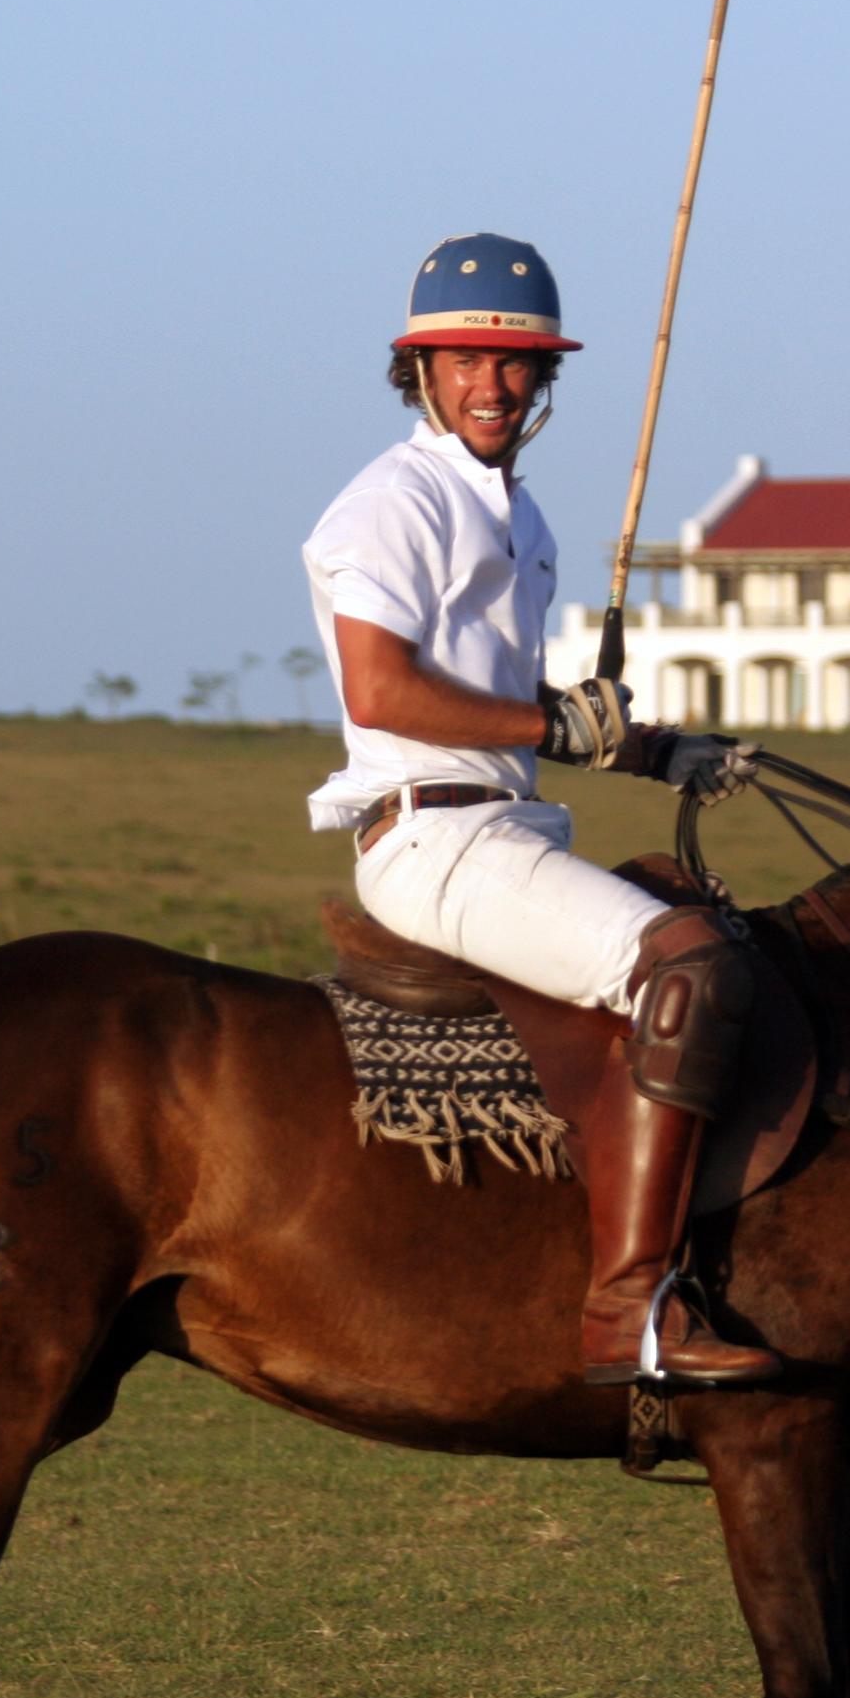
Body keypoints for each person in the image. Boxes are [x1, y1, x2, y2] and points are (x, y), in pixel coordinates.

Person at [302, 233, 780, 1390]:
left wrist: (656, 747)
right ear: (417, 368)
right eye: (464, 359)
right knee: (689, 968)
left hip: (505, 824)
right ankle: (630, 1310)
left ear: (545, 381)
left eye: (517, 365)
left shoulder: (527, 523)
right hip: (430, 833)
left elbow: (510, 703)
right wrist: (562, 725)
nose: (492, 384)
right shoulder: (388, 505)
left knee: (708, 927)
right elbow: (385, 689)